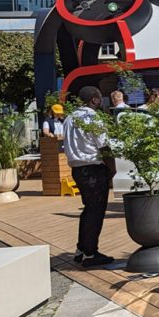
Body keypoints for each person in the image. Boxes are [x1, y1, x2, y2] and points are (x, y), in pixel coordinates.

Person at [62, 87, 115, 268]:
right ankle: (90, 253)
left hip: (77, 169)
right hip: (93, 168)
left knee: (88, 209)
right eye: (100, 98)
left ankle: (82, 248)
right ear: (94, 99)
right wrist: (112, 168)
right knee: (96, 211)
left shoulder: (70, 118)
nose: (101, 101)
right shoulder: (92, 117)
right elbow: (104, 146)